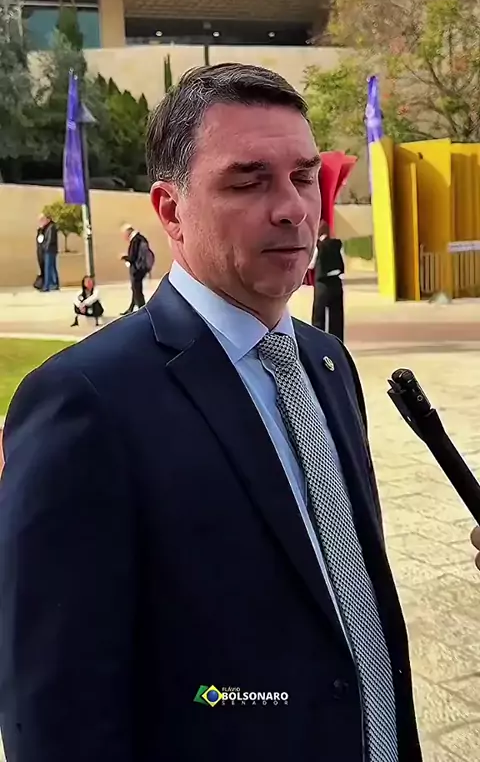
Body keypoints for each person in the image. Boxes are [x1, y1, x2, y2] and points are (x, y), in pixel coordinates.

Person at [0, 64, 422, 762]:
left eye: (304, 177)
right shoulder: (84, 401)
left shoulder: (328, 363)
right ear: (170, 211)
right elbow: (57, 714)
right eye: (248, 182)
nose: (292, 208)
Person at [312, 219, 345, 341]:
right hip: (336, 282)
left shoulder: (318, 246)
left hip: (322, 284)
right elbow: (342, 263)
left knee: (319, 316)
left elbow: (311, 264)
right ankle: (336, 341)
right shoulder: (337, 244)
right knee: (336, 316)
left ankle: (318, 341)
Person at [120, 223, 154, 315]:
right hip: (141, 268)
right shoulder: (141, 238)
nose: (124, 237)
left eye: (124, 234)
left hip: (137, 270)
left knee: (137, 291)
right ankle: (131, 309)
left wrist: (124, 257)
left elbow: (132, 257)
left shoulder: (135, 240)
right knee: (135, 289)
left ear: (128, 232)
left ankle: (143, 312)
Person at [40, 212, 60, 292]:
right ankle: (54, 284)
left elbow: (50, 239)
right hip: (50, 250)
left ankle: (47, 286)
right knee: (52, 267)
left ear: (48, 219)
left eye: (44, 219)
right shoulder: (47, 227)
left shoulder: (51, 227)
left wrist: (45, 247)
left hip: (50, 250)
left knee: (48, 268)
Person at [34, 216, 46, 290]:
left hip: (43, 251)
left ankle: (44, 283)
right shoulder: (40, 230)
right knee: (41, 267)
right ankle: (42, 283)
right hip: (40, 251)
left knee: (44, 267)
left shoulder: (45, 229)